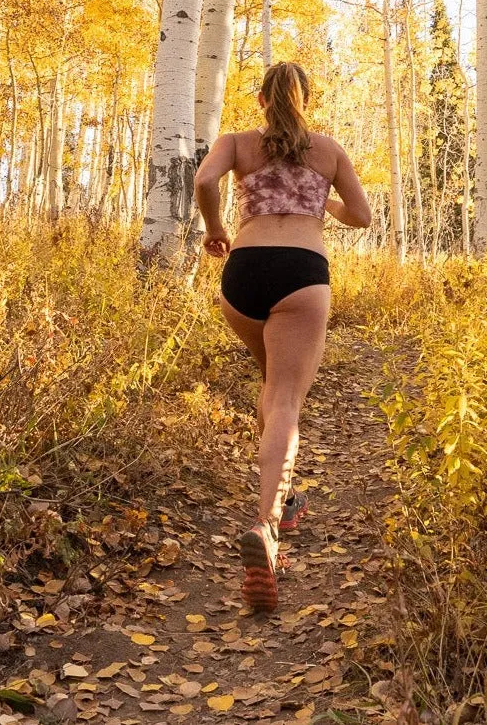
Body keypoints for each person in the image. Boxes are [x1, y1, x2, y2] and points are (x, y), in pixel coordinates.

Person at [193, 62, 373, 612]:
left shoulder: (237, 142)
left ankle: (286, 498)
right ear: (307, 99)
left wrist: (217, 229)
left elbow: (203, 181)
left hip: (242, 273)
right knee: (287, 401)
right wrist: (321, 203)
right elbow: (361, 217)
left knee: (271, 384)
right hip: (301, 270)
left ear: (261, 99)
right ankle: (268, 528)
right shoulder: (328, 149)